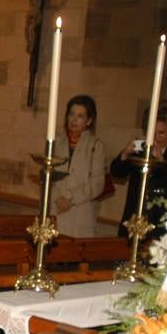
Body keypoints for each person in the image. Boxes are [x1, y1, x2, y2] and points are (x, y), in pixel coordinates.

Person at [111, 99, 167, 237]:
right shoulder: (142, 148)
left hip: (159, 226)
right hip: (133, 221)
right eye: (150, 132)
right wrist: (125, 154)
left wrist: (162, 162)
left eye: (161, 133)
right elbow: (117, 172)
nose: (154, 138)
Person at [51, 94, 107, 237]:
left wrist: (71, 200)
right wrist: (58, 198)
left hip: (80, 212)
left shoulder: (96, 146)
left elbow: (97, 183)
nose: (74, 120)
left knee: (75, 255)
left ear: (89, 121)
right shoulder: (56, 142)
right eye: (71, 114)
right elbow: (48, 175)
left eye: (80, 116)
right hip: (56, 209)